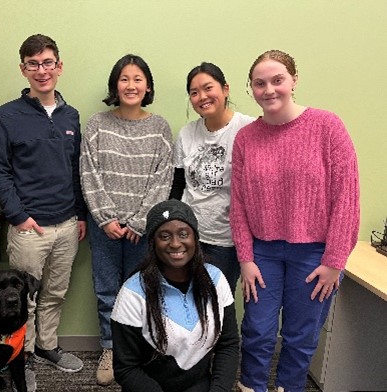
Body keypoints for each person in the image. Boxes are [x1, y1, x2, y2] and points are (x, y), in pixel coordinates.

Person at [230, 50, 360, 392]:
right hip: (263, 252)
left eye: (277, 80)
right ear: (251, 89)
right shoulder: (245, 138)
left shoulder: (327, 127)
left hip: (315, 253)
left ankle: (289, 387)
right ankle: (252, 387)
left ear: (294, 81)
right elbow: (239, 204)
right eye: (260, 84)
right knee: (257, 331)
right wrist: (245, 257)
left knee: (300, 337)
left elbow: (346, 199)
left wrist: (334, 261)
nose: (269, 90)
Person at [0, 33, 87, 389]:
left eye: (47, 63)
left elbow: (76, 169)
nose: (41, 70)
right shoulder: (7, 115)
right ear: (23, 69)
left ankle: (47, 347)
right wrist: (18, 216)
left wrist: (79, 214)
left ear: (59, 66)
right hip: (29, 228)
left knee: (55, 294)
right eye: (33, 64)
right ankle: (22, 357)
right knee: (22, 300)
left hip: (66, 225)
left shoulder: (71, 115)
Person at [80, 54, 173, 385]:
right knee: (107, 290)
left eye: (137, 79)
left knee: (143, 290)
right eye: (124, 79)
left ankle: (137, 351)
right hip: (103, 225)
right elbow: (89, 173)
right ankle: (109, 348)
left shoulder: (160, 128)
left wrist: (138, 221)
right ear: (114, 85)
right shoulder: (97, 124)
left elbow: (162, 180)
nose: (131, 85)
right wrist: (106, 217)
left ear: (147, 86)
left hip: (142, 230)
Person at [111, 199, 239, 392]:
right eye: (164, 236)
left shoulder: (216, 280)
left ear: (195, 239)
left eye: (183, 234)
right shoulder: (133, 292)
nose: (175, 243)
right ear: (153, 243)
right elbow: (126, 369)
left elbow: (228, 345)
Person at [170, 62, 255, 295]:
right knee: (185, 297)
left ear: (225, 89)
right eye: (194, 92)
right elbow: (178, 185)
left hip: (226, 240)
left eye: (208, 88)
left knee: (216, 301)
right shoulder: (187, 133)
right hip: (189, 236)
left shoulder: (247, 129)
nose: (202, 97)